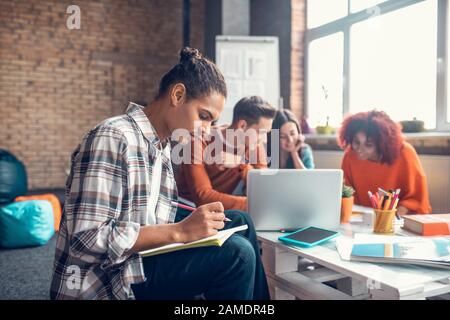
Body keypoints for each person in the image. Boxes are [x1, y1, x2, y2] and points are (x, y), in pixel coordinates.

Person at [50, 47, 270, 300]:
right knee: (237, 254)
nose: (208, 131)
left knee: (240, 222)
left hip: (141, 256)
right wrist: (180, 231)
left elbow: (151, 219)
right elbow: (86, 240)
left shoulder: (163, 146)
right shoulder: (113, 136)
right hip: (109, 278)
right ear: (177, 95)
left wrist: (188, 227)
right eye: (204, 116)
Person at [175, 96, 276, 212]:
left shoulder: (254, 144)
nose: (265, 140)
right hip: (187, 208)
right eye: (261, 133)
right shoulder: (199, 140)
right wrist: (256, 204)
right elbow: (202, 197)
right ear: (242, 126)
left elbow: (265, 188)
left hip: (220, 210)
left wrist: (241, 164)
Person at [338, 110, 431, 215]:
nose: (359, 149)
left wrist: (391, 219)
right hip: (361, 219)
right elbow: (346, 195)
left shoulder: (405, 153)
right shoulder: (350, 155)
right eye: (356, 142)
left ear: (382, 144)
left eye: (368, 145)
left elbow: (416, 199)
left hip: (398, 220)